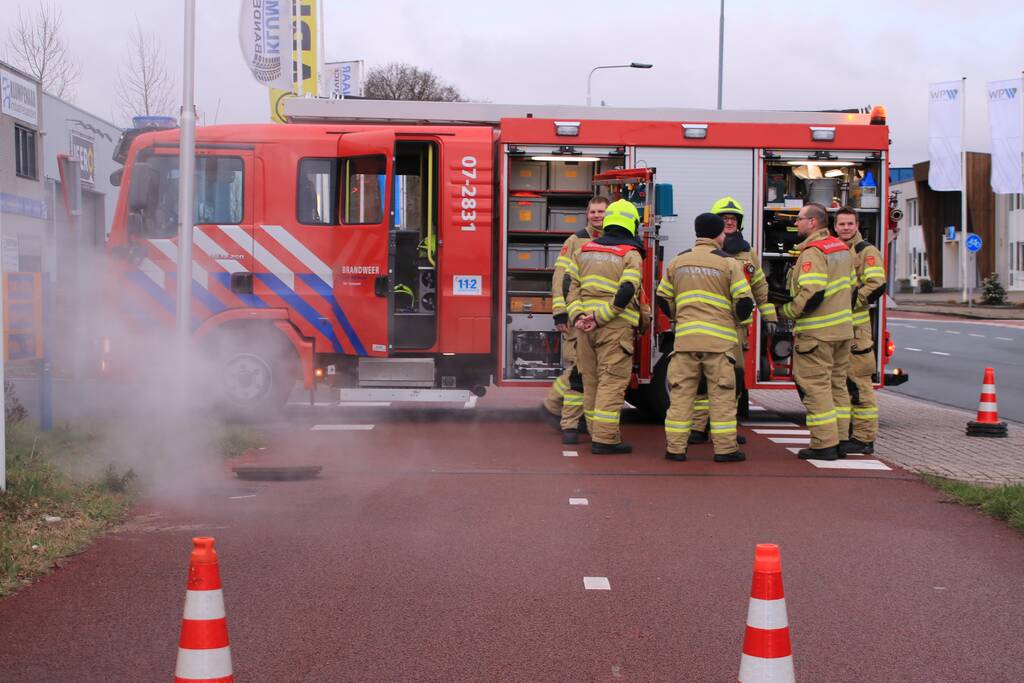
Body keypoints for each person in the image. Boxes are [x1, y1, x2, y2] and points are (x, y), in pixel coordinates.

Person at [656, 213, 754, 462]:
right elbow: (744, 302)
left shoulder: (679, 261)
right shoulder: (728, 263)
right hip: (718, 344)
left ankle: (675, 449)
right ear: (719, 235)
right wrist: (735, 320)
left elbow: (662, 297)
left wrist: (677, 315)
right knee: (721, 398)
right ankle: (725, 450)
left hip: (685, 342)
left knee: (681, 397)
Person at [689, 196, 778, 445]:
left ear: (739, 222)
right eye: (724, 219)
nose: (729, 222)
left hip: (736, 327)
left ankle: (726, 429)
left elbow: (759, 285)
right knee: (702, 379)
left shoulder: (747, 253)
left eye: (733, 219)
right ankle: (698, 427)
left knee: (733, 380)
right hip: (708, 323)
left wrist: (769, 315)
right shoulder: (704, 251)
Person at [565, 198, 644, 454]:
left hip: (583, 327)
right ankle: (606, 439)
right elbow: (627, 290)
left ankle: (594, 431)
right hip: (614, 328)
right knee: (611, 382)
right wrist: (599, 317)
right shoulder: (630, 254)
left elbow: (569, 285)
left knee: (591, 382)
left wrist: (579, 316)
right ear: (632, 224)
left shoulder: (584, 250)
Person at [779, 202, 855, 460]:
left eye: (799, 219)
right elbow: (852, 288)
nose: (796, 223)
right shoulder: (841, 248)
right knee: (837, 386)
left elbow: (812, 293)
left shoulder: (814, 252)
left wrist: (787, 311)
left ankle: (824, 444)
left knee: (816, 388)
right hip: (842, 331)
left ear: (812, 222)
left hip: (817, 334)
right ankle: (841, 440)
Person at [542, 196, 609, 444]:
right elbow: (561, 277)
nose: (597, 216)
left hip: (602, 318)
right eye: (593, 212)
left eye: (601, 212)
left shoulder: (614, 240)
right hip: (577, 315)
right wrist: (560, 312)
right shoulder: (575, 240)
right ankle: (557, 410)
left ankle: (575, 418)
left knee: (589, 372)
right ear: (587, 214)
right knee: (577, 369)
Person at [833, 206, 886, 454]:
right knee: (840, 384)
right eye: (841, 224)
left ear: (857, 225)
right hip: (836, 328)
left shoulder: (866, 251)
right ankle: (845, 434)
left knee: (859, 385)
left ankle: (864, 438)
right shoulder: (833, 249)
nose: (845, 228)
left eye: (850, 224)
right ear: (835, 226)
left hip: (856, 330)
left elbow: (876, 284)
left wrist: (850, 302)